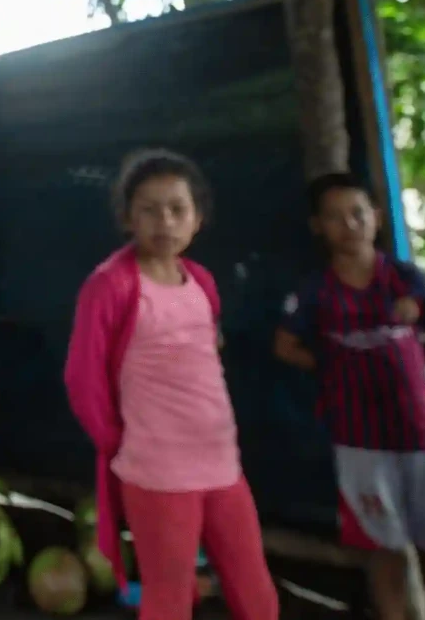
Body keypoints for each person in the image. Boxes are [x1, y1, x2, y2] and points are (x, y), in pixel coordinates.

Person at [64, 150, 279, 620]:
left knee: (256, 594)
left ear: (198, 218)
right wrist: (121, 445)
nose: (165, 220)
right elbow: (82, 379)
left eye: (178, 208)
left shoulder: (200, 280)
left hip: (222, 464)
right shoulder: (111, 285)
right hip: (157, 472)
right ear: (127, 218)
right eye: (149, 208)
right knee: (169, 598)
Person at [273, 173, 425, 620]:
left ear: (376, 218)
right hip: (359, 440)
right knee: (384, 554)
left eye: (358, 213)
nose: (349, 224)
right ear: (317, 226)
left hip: (420, 436)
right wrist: (336, 368)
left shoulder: (406, 278)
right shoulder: (314, 291)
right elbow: (284, 347)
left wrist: (412, 372)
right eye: (335, 217)